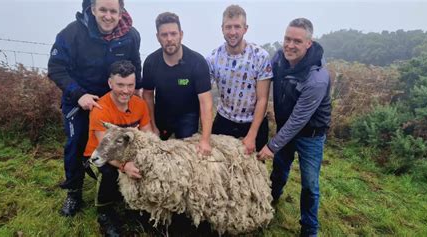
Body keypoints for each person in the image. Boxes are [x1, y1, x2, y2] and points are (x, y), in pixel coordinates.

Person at [48, 0, 142, 217]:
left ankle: (117, 186)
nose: (108, 16)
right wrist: (78, 94)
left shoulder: (131, 35)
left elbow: (135, 64)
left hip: (114, 100)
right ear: (92, 9)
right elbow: (56, 67)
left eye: (113, 11)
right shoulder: (71, 34)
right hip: (79, 98)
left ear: (121, 12)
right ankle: (73, 192)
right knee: (76, 143)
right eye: (103, 10)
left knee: (120, 143)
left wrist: (135, 93)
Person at [257, 18, 331, 237]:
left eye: (297, 41)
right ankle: (270, 202)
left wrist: (272, 145)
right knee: (279, 171)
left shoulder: (317, 78)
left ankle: (309, 229)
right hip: (284, 128)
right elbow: (261, 81)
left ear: (308, 43)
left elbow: (299, 119)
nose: (289, 45)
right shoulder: (279, 59)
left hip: (311, 135)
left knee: (309, 184)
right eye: (287, 39)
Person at [83, 60, 151, 236]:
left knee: (146, 166)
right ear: (110, 83)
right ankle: (104, 212)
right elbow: (105, 150)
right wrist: (124, 166)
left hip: (127, 152)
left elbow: (148, 135)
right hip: (99, 155)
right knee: (109, 173)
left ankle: (136, 206)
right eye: (120, 85)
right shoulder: (100, 109)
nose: (126, 90)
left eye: (130, 85)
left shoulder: (140, 104)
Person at [142, 12, 213, 156]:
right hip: (161, 115)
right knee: (156, 156)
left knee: (187, 157)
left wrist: (205, 139)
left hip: (187, 116)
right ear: (158, 37)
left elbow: (206, 103)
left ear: (181, 34)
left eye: (173, 34)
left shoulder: (197, 62)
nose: (169, 39)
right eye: (164, 35)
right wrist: (152, 126)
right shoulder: (151, 62)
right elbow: (147, 95)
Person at [206, 5, 272, 155]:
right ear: (222, 28)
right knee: (219, 169)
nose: (232, 32)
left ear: (245, 28)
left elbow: (262, 99)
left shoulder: (260, 56)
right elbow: (205, 96)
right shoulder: (212, 59)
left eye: (237, 27)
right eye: (228, 27)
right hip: (225, 120)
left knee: (253, 171)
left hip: (253, 122)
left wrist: (251, 135)